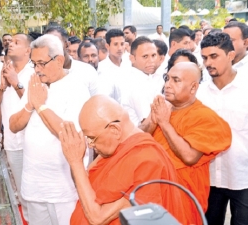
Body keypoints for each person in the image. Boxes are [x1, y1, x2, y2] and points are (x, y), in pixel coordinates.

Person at [61, 95, 186, 224]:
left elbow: (97, 218)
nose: (90, 144)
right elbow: (83, 182)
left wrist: (76, 162)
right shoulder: (114, 148)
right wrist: (76, 160)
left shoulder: (148, 161)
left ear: (115, 130)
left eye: (92, 138)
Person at [9, 34, 90, 225]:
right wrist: (30, 105)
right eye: (34, 64)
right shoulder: (35, 83)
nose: (37, 69)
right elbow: (13, 125)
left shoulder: (76, 88)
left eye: (42, 63)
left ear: (59, 60)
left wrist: (41, 106)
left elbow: (69, 135)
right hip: (34, 182)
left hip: (62, 187)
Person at [144, 62, 232, 225]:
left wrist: (164, 124)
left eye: (175, 80)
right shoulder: (164, 109)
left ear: (193, 88)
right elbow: (137, 140)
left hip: (183, 200)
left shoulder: (204, 117)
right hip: (153, 194)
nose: (167, 85)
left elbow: (189, 156)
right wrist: (152, 121)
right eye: (167, 78)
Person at [198, 32, 248, 225]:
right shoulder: (200, 93)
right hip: (208, 179)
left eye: (214, 56)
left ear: (230, 55)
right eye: (204, 57)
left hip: (247, 179)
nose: (208, 62)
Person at [0, 33, 34, 221]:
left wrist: (16, 82)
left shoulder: (34, 72)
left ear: (28, 50)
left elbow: (36, 105)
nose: (10, 44)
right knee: (21, 196)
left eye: (16, 42)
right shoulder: (4, 71)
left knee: (33, 195)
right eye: (10, 42)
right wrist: (2, 86)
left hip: (32, 143)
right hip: (13, 144)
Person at [45, 26, 99, 96]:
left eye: (56, 42)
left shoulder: (87, 71)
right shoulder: (40, 74)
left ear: (67, 44)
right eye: (47, 43)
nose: (51, 47)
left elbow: (97, 101)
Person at [121, 36, 161, 126]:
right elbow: (148, 123)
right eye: (145, 56)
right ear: (132, 58)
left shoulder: (145, 77)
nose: (151, 61)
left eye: (153, 55)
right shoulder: (136, 84)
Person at [97, 29, 132, 103]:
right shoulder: (102, 68)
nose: (119, 48)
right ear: (107, 46)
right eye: (115, 44)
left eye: (122, 44)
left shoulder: (130, 62)